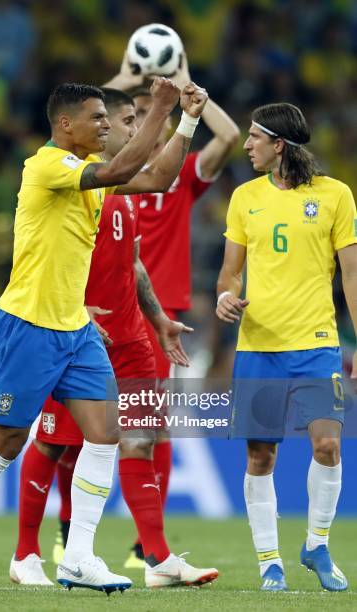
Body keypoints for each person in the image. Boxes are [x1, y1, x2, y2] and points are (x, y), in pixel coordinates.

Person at [0, 78, 187, 594]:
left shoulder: (91, 176)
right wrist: (164, 109)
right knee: (7, 442)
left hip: (77, 327)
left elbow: (154, 180)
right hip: (28, 324)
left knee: (105, 433)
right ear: (66, 125)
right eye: (98, 118)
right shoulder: (47, 165)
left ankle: (79, 556)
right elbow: (123, 168)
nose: (106, 124)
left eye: (109, 119)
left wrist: (188, 122)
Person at [10, 87, 218, 589]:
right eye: (124, 119)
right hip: (82, 337)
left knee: (141, 442)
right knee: (55, 443)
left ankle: (159, 560)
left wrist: (158, 318)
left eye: (126, 119)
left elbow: (133, 259)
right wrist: (75, 306)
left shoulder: (118, 193)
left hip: (132, 338)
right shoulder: (75, 182)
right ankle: (26, 554)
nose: (122, 127)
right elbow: (47, 257)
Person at [106, 51, 240, 567]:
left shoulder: (181, 174)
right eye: (133, 116)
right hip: (104, 309)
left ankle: (146, 544)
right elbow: (74, 123)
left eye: (148, 115)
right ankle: (65, 535)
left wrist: (188, 92)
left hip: (163, 315)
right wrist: (121, 81)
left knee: (151, 422)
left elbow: (227, 138)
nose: (142, 122)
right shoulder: (107, 176)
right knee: (80, 428)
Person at [216, 102, 357, 592]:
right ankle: (269, 562)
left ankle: (316, 544)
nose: (247, 144)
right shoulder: (243, 198)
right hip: (258, 347)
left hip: (317, 342)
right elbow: (230, 272)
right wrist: (224, 297)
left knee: (328, 444)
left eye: (255, 137)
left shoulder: (336, 196)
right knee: (260, 458)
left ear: (279, 144)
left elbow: (352, 273)